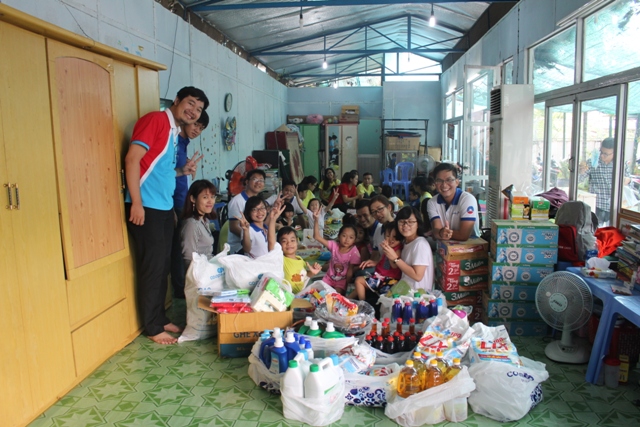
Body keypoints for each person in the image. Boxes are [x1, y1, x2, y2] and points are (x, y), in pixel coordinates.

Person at [124, 86, 209, 345]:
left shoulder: (173, 131)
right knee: (152, 267)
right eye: (191, 103)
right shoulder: (155, 120)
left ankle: (159, 318)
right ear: (177, 101)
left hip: (162, 207)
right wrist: (135, 202)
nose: (194, 111)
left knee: (162, 268)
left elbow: (159, 170)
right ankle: (152, 327)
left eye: (199, 109)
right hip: (146, 207)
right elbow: (131, 160)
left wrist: (182, 172)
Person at [170, 111, 209, 299]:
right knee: (180, 251)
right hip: (172, 201)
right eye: (195, 124)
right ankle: (181, 291)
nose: (197, 130)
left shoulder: (183, 143)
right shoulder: (174, 139)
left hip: (181, 199)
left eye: (201, 128)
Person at [381, 206, 434, 292]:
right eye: (402, 222)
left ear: (418, 224)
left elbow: (417, 276)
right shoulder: (406, 242)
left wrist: (395, 258)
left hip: (417, 296)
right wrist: (389, 253)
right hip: (405, 290)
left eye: (410, 222)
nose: (405, 225)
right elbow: (395, 266)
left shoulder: (420, 244)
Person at [579, 137, 627, 226]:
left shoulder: (620, 164)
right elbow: (578, 180)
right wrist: (581, 171)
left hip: (614, 206)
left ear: (614, 153)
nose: (602, 155)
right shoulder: (592, 162)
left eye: (606, 154)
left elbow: (629, 181)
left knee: (612, 234)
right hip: (597, 205)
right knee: (595, 233)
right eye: (601, 152)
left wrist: (627, 180)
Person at [427, 162, 480, 241]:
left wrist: (441, 233)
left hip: (470, 247)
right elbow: (436, 230)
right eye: (439, 181)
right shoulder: (432, 202)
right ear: (435, 183)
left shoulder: (467, 199)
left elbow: (463, 235)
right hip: (445, 246)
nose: (444, 185)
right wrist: (439, 232)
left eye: (449, 180)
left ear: (457, 182)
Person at [312, 210, 361, 295]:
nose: (347, 240)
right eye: (344, 236)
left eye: (351, 237)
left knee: (336, 297)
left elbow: (350, 271)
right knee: (319, 294)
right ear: (339, 236)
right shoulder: (334, 246)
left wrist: (347, 286)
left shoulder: (354, 252)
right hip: (328, 278)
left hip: (342, 281)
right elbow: (317, 236)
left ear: (355, 239)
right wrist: (316, 220)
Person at [352, 222, 403, 301]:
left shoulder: (397, 250)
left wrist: (389, 253)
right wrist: (376, 262)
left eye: (395, 237)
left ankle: (363, 302)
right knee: (360, 283)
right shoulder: (390, 248)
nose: (391, 239)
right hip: (380, 276)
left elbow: (394, 266)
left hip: (388, 279)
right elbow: (383, 262)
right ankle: (347, 298)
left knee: (358, 280)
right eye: (388, 236)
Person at [227, 169, 266, 254]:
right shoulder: (237, 201)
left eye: (261, 180)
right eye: (255, 179)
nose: (258, 182)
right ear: (247, 182)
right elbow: (233, 227)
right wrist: (252, 238)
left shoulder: (258, 201)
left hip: (256, 246)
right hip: (239, 249)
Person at [180, 179, 217, 270]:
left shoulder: (204, 220)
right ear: (193, 199)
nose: (210, 201)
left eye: (212, 197)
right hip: (200, 277)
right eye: (205, 197)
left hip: (209, 271)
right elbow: (189, 258)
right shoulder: (191, 224)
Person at [275, 226, 322, 293]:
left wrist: (312, 273)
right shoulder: (280, 259)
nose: (289, 243)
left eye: (292, 240)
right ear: (279, 245)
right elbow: (271, 244)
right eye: (284, 241)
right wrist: (273, 220)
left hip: (299, 295)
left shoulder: (300, 260)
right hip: (286, 296)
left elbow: (303, 277)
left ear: (297, 242)